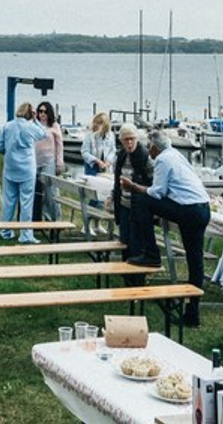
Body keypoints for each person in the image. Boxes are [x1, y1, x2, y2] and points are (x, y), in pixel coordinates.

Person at [120, 130, 212, 327]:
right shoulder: (177, 155)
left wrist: (132, 186)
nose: (148, 150)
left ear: (154, 147)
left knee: (142, 201)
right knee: (195, 260)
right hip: (202, 208)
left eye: (149, 146)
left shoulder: (162, 159)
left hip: (188, 209)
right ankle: (192, 313)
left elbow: (157, 192)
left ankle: (151, 253)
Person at [0, 102, 45, 243]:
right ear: (30, 113)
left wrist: (8, 152)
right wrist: (36, 120)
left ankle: (6, 231)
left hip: (10, 167)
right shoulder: (31, 127)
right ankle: (25, 234)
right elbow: (44, 133)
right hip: (27, 169)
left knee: (8, 201)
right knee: (26, 201)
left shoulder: (7, 126)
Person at [110, 123, 152, 256]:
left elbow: (154, 181)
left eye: (132, 139)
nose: (129, 142)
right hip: (123, 204)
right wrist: (112, 196)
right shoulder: (121, 155)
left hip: (138, 206)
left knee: (136, 244)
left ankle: (136, 268)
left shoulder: (145, 156)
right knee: (124, 241)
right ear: (121, 141)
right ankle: (125, 266)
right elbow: (117, 180)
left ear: (137, 139)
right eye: (126, 139)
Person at [32, 102, 65, 221]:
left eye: (45, 112)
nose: (42, 114)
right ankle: (42, 217)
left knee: (50, 191)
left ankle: (56, 218)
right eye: (40, 111)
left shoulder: (54, 126)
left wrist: (59, 163)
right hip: (35, 161)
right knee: (37, 192)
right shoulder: (34, 125)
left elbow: (59, 145)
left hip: (49, 161)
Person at [81, 112, 116, 176]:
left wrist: (108, 161)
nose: (95, 124)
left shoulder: (111, 135)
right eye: (95, 122)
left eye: (99, 123)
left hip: (106, 166)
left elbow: (112, 150)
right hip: (92, 166)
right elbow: (84, 152)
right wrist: (96, 160)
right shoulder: (89, 136)